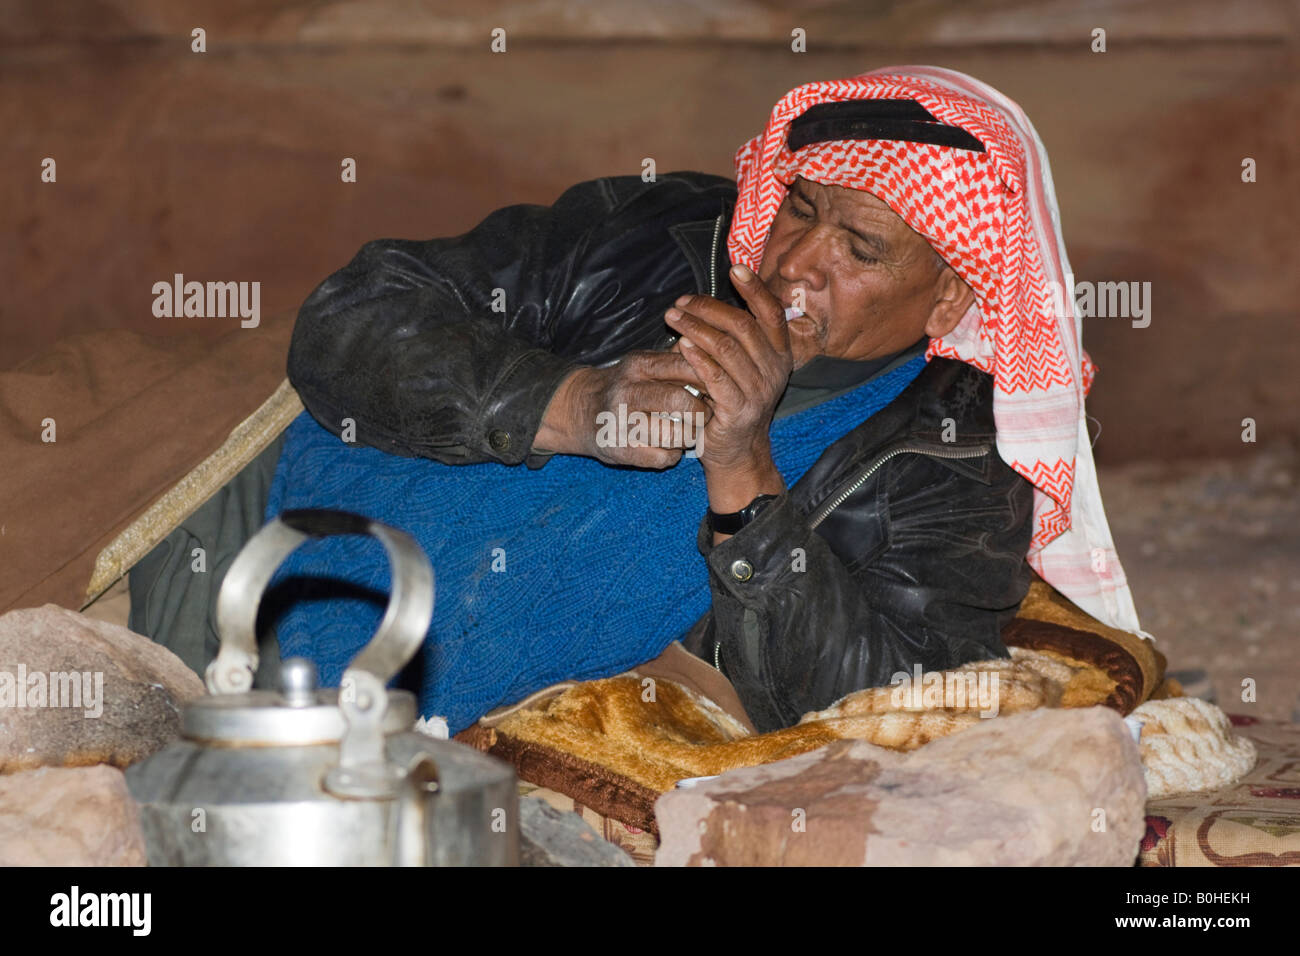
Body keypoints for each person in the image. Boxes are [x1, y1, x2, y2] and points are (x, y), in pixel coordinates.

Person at [269, 66, 1143, 735]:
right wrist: (573, 403)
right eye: (799, 209)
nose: (797, 262)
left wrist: (745, 476)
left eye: (861, 250)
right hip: (272, 585)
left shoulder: (958, 449)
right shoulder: (656, 240)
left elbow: (890, 700)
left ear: (953, 296)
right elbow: (355, 313)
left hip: (499, 732)